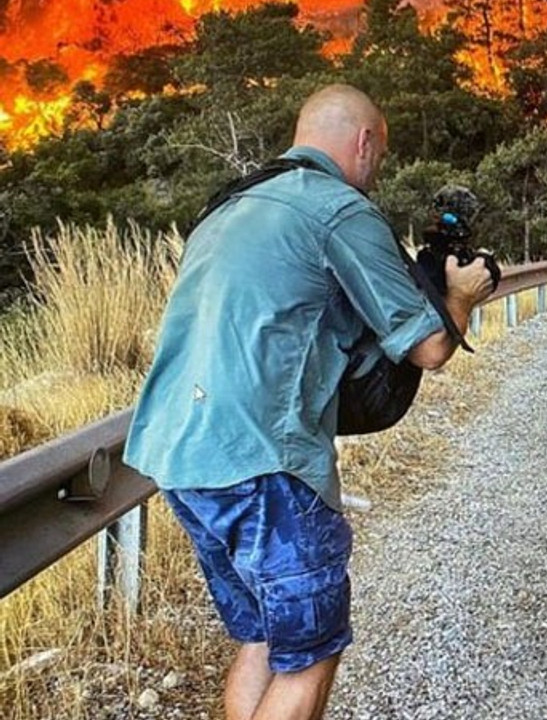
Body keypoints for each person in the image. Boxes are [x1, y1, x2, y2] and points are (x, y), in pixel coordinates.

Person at [123, 84, 495, 720]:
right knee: (310, 655)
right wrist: (459, 295)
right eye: (380, 154)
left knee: (265, 639)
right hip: (265, 463)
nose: (376, 171)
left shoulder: (229, 205)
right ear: (364, 142)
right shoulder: (338, 209)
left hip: (179, 456)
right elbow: (429, 348)